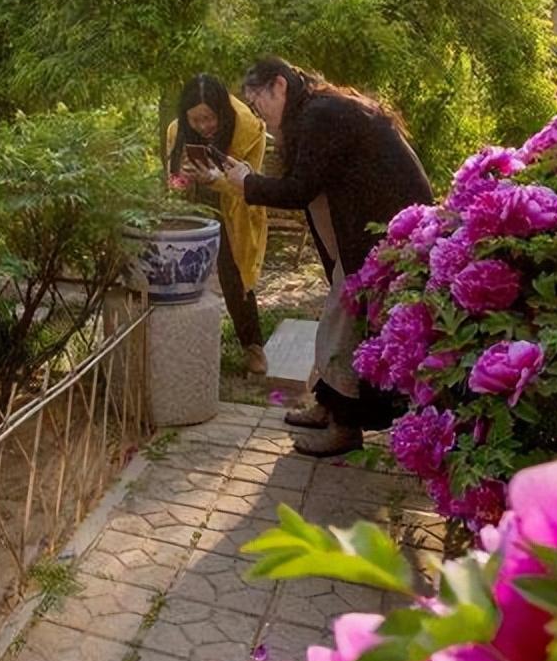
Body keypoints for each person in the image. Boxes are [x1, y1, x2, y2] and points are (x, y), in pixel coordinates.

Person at [216, 58, 433, 457]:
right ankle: (328, 405)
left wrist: (246, 183)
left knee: (344, 320)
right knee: (338, 317)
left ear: (279, 86)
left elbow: (298, 190)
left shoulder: (320, 115)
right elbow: (307, 185)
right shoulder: (318, 111)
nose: (257, 112)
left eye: (257, 99)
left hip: (387, 230)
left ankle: (345, 426)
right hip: (376, 228)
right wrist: (247, 179)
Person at [167, 73, 269, 375]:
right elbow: (173, 182)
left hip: (236, 209)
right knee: (180, 271)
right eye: (196, 121)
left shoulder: (249, 128)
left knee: (235, 275)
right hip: (195, 208)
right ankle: (181, 345)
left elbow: (253, 183)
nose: (204, 127)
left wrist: (217, 180)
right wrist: (182, 179)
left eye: (210, 118)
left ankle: (253, 347)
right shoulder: (178, 131)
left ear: (222, 111)